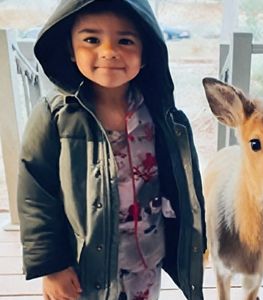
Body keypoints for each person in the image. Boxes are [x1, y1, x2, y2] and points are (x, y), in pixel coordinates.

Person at [17, 1, 206, 299]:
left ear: (146, 53)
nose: (108, 51)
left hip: (147, 259)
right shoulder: (57, 115)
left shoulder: (163, 115)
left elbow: (187, 187)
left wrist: (194, 241)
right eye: (91, 39)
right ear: (70, 48)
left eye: (125, 40)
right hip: (83, 267)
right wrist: (51, 265)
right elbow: (36, 193)